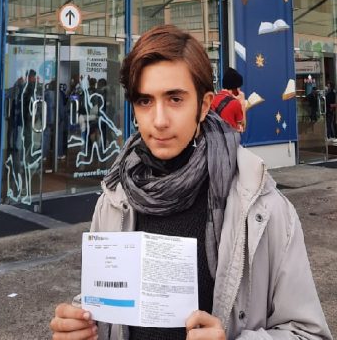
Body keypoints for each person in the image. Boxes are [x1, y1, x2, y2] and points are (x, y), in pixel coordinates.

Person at [50, 25, 331, 340]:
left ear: (205, 104)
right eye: (144, 101)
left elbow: (310, 333)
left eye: (174, 99)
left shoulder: (262, 207)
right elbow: (107, 310)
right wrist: (81, 327)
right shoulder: (116, 198)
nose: (158, 120)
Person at [210, 67, 246, 132]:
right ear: (235, 87)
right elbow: (242, 126)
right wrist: (242, 102)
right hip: (229, 140)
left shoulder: (213, 99)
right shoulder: (235, 103)